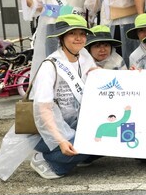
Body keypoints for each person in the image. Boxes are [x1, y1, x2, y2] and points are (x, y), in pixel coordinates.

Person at [29, 14, 96, 179]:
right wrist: (60, 140)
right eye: (72, 33)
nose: (78, 38)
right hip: (50, 130)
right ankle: (48, 160)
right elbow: (43, 110)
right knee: (84, 149)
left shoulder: (85, 56)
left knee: (104, 142)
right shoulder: (50, 65)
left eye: (82, 33)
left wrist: (129, 76)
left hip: (75, 124)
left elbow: (98, 77)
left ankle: (72, 156)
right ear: (62, 37)